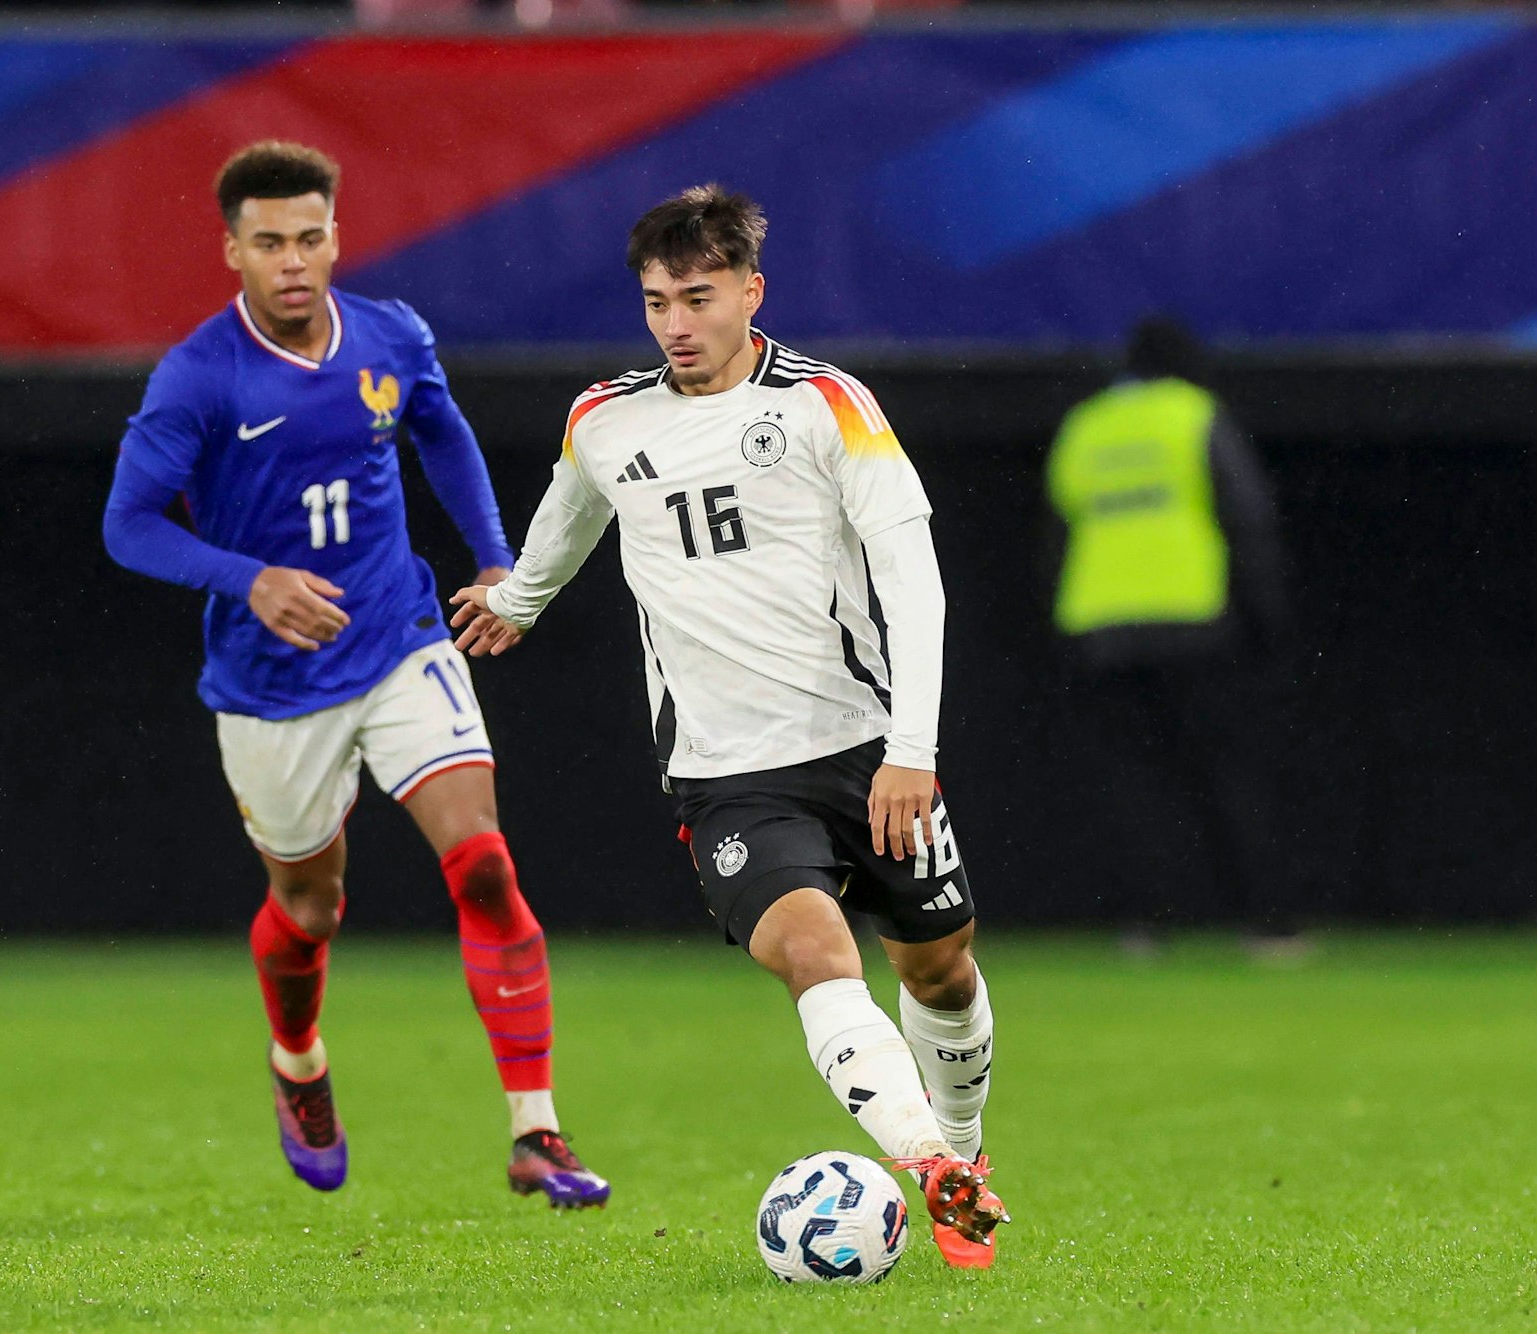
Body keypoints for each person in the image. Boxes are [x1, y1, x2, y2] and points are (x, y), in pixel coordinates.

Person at [450, 185, 1007, 1267]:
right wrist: (514, 601)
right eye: (657, 301)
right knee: (815, 951)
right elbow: (566, 528)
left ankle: (967, 1155)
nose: (675, 324)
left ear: (751, 291)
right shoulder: (604, 418)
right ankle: (929, 1164)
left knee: (939, 969)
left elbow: (916, 583)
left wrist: (913, 751)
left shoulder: (828, 405)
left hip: (865, 748)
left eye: (697, 297)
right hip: (725, 775)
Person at [101, 140, 607, 1206]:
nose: (294, 260)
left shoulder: (390, 334)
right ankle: (298, 1062)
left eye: (312, 236)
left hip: (399, 636)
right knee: (311, 902)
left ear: (337, 234)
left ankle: (538, 1128)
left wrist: (497, 560)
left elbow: (441, 429)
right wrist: (249, 580)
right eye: (270, 242)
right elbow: (128, 524)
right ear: (231, 250)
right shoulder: (199, 376)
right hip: (273, 681)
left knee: (481, 861)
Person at [1043, 316, 1295, 954]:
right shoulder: (1193, 414)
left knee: (1131, 782)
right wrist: (1267, 617)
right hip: (1193, 619)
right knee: (1228, 773)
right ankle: (1264, 926)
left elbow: (1056, 530)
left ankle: (1142, 926)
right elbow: (1248, 514)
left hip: (1102, 626)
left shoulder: (1087, 424)